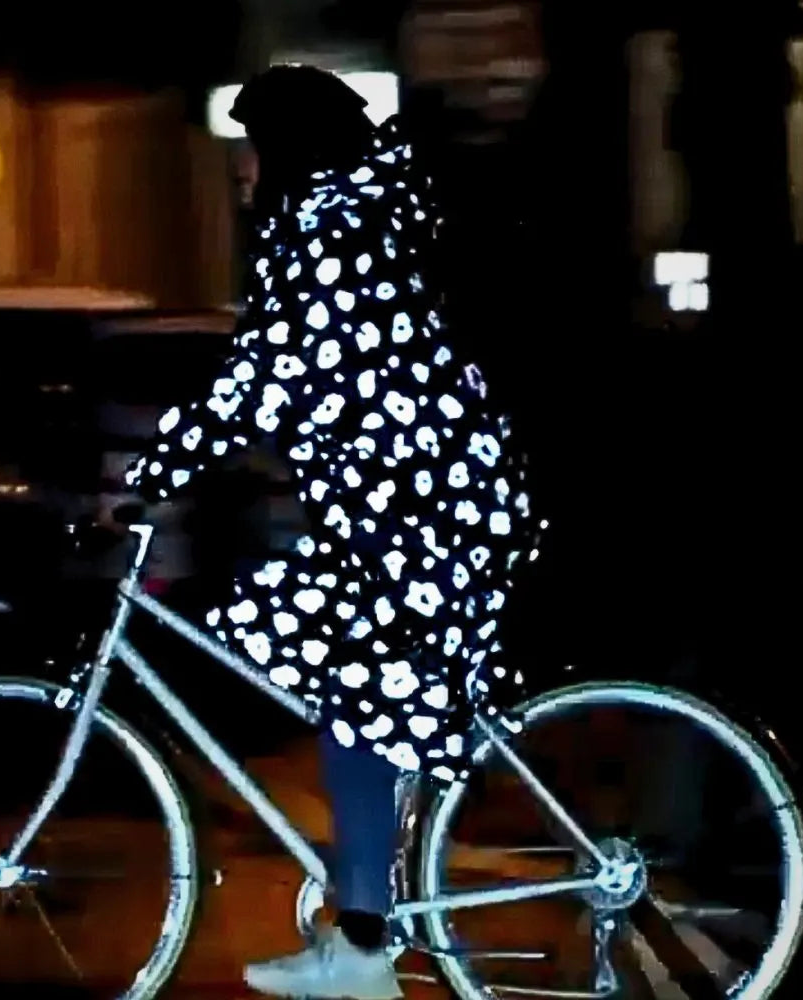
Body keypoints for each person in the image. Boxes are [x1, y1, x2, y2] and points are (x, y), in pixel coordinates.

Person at [126, 65, 539, 999]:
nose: (241, 168)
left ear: (291, 150)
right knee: (336, 683)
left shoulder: (334, 235)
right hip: (412, 509)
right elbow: (277, 375)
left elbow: (263, 378)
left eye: (250, 147)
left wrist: (150, 480)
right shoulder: (343, 222)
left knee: (358, 695)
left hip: (425, 516)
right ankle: (362, 915)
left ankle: (362, 938)